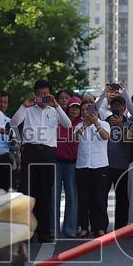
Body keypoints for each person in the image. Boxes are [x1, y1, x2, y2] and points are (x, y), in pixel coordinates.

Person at [11, 79, 71, 243]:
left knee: (45, 193)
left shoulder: (54, 110)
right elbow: (13, 123)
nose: (43, 97)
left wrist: (57, 105)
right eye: (40, 94)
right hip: (30, 152)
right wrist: (24, 105)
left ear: (50, 94)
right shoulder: (28, 109)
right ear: (35, 94)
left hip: (48, 153)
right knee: (27, 192)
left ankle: (44, 231)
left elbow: (68, 124)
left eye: (46, 94)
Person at [73, 101, 111, 237]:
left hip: (100, 165)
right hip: (82, 166)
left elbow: (106, 137)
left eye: (88, 110)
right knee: (83, 198)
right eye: (83, 110)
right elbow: (74, 139)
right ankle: (84, 226)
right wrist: (84, 126)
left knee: (99, 198)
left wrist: (96, 123)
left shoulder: (104, 123)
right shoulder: (79, 125)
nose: (85, 112)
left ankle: (100, 227)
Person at [105, 95, 133, 229]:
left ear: (124, 107)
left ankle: (121, 227)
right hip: (105, 166)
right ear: (110, 107)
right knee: (101, 198)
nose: (117, 108)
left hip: (123, 166)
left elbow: (127, 141)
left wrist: (120, 126)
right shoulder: (104, 122)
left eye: (120, 105)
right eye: (114, 105)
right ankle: (101, 226)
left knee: (122, 198)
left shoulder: (130, 123)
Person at [54, 96, 81, 237]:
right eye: (72, 107)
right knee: (54, 196)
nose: (75, 110)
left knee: (72, 197)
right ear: (67, 108)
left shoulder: (83, 123)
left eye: (77, 107)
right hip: (57, 162)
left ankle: (70, 229)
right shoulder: (59, 120)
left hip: (73, 163)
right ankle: (53, 230)